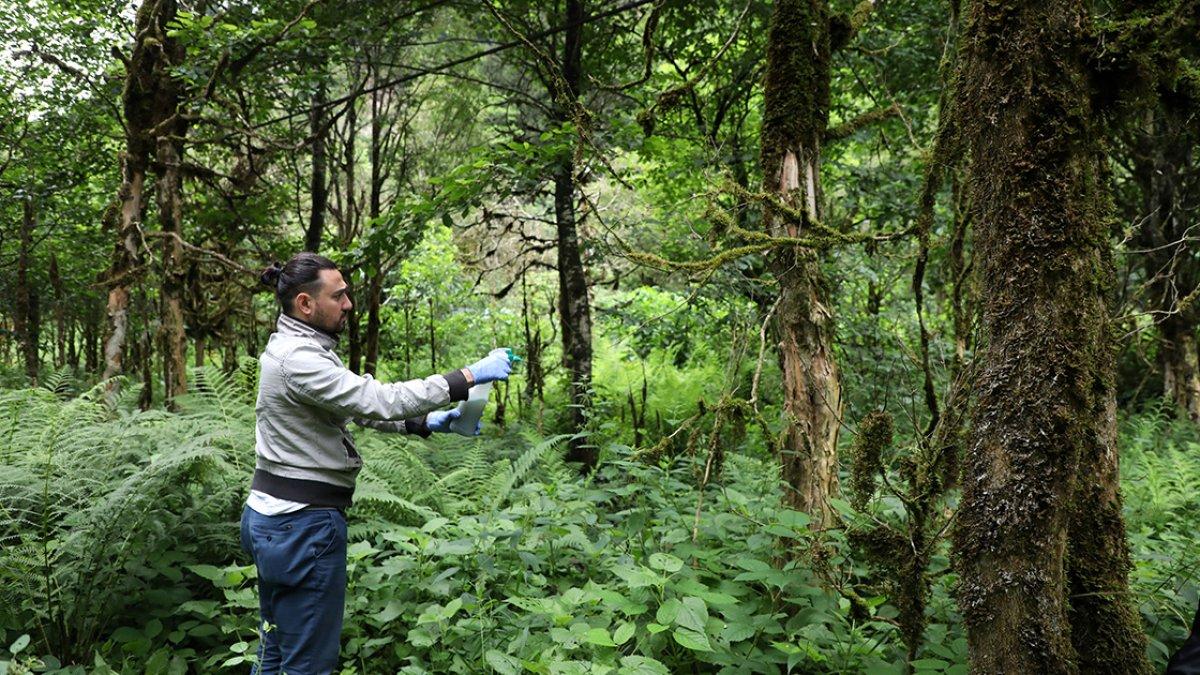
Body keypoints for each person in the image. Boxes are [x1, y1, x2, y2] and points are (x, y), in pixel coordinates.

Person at [240, 252, 512, 674]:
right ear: (305, 304)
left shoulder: (296, 347)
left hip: (278, 521)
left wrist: (425, 422)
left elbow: (350, 404)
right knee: (306, 665)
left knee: (275, 653)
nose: (348, 304)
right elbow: (378, 399)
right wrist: (468, 377)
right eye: (339, 295)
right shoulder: (299, 358)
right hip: (302, 526)